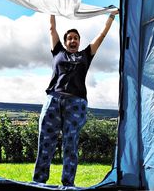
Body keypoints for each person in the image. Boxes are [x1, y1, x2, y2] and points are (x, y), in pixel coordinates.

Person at [33, 10, 119, 186]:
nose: (73, 40)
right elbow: (52, 28)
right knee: (45, 143)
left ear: (79, 42)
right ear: (65, 42)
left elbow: (102, 35)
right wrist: (52, 8)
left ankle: (68, 184)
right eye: (69, 38)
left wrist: (111, 17)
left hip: (76, 104)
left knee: (70, 144)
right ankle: (39, 182)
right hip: (53, 101)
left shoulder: (86, 55)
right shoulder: (58, 52)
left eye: (76, 38)